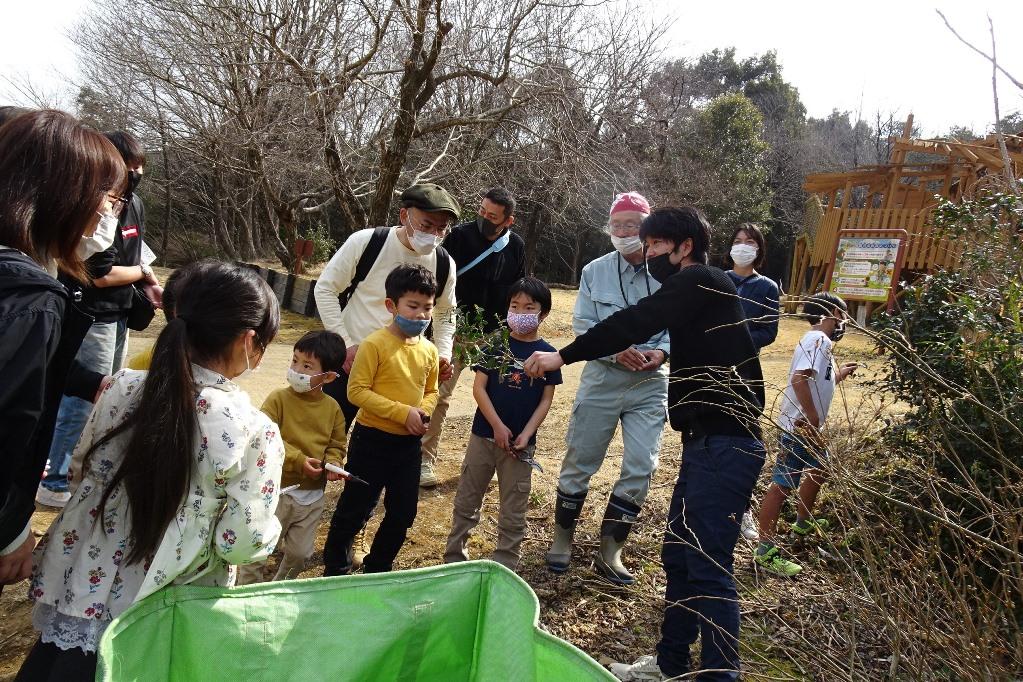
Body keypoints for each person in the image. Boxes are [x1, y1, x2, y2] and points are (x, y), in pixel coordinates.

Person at [523, 207, 766, 682]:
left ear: (684, 246)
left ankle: (721, 673)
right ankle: (670, 665)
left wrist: (562, 356)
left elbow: (634, 321)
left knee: (707, 565)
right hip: (705, 443)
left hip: (727, 445)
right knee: (679, 556)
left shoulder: (702, 280)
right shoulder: (697, 287)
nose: (647, 252)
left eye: (654, 245)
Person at [18, 261, 284, 680]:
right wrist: (271, 533)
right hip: (162, 600)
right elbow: (241, 542)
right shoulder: (255, 431)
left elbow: (80, 472)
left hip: (85, 578)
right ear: (249, 342)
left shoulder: (121, 386)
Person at [0, 110, 123, 589]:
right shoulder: (30, 298)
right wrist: (10, 531)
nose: (107, 216)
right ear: (63, 196)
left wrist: (93, 383)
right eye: (106, 200)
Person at [546, 192, 669, 586]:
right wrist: (617, 351)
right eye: (617, 225)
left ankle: (610, 549)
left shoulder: (669, 274)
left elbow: (680, 327)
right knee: (580, 459)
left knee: (641, 465)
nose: (623, 231)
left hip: (650, 384)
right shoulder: (594, 270)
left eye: (632, 224)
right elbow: (583, 324)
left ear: (648, 228)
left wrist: (662, 353)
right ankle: (562, 537)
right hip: (602, 379)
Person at [36, 130, 161, 508]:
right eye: (128, 168)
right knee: (82, 397)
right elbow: (100, 274)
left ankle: (69, 470)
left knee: (101, 393)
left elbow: (138, 255)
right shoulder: (91, 206)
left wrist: (147, 280)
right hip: (92, 315)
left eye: (140, 168)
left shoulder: (133, 204)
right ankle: (55, 478)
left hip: (121, 311)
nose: (135, 174)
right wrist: (140, 275)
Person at [321, 264, 440, 575]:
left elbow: (432, 390)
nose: (420, 315)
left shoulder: (429, 350)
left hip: (409, 446)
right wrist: (402, 412)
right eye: (412, 306)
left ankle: (379, 567)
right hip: (372, 441)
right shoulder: (375, 344)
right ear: (392, 305)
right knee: (355, 507)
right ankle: (335, 567)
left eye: (427, 307)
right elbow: (357, 392)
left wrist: (422, 412)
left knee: (403, 513)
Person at [313, 183, 458, 432]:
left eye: (441, 228)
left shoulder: (444, 262)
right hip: (351, 360)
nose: (434, 234)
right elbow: (325, 289)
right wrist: (345, 344)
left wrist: (443, 352)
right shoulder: (367, 242)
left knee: (386, 443)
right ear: (404, 215)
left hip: (402, 369)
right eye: (426, 225)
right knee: (326, 433)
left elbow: (446, 311)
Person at [443, 277, 561, 570]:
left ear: (542, 313)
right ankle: (454, 558)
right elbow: (479, 388)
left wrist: (527, 434)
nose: (519, 312)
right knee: (467, 500)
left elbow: (546, 400)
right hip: (483, 437)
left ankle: (507, 562)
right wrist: (496, 425)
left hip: (520, 447)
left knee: (514, 505)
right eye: (514, 305)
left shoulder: (547, 355)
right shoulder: (496, 344)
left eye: (528, 307)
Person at [420, 187, 526, 488]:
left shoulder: (515, 246)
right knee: (439, 393)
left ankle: (496, 457)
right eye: (482, 211)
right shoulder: (459, 237)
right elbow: (437, 283)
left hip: (494, 333)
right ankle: (424, 459)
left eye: (492, 216)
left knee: (501, 394)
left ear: (508, 220)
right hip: (455, 330)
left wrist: (516, 328)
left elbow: (519, 288)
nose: (484, 218)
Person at [754, 293, 857, 577]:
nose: (844, 322)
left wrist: (839, 375)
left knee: (819, 468)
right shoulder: (818, 340)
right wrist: (810, 417)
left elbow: (816, 381)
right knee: (782, 485)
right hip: (801, 428)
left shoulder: (818, 343)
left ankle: (802, 520)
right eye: (843, 315)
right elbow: (800, 380)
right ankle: (765, 551)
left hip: (809, 428)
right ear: (833, 313)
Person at [238, 330, 348, 584]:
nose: (297, 369)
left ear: (329, 376)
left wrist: (333, 464)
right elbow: (264, 437)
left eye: (307, 366)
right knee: (258, 546)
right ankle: (247, 589)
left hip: (312, 498)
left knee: (300, 553)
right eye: (295, 360)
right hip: (276, 490)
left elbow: (337, 444)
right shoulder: (279, 399)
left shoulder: (333, 409)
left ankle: (279, 587)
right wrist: (298, 461)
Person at [725, 223, 780, 542]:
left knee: (746, 440)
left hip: (745, 371)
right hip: (710, 367)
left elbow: (768, 331)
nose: (742, 246)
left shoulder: (767, 287)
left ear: (759, 250)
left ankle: (743, 508)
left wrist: (737, 337)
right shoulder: (717, 280)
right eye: (737, 241)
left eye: (750, 242)